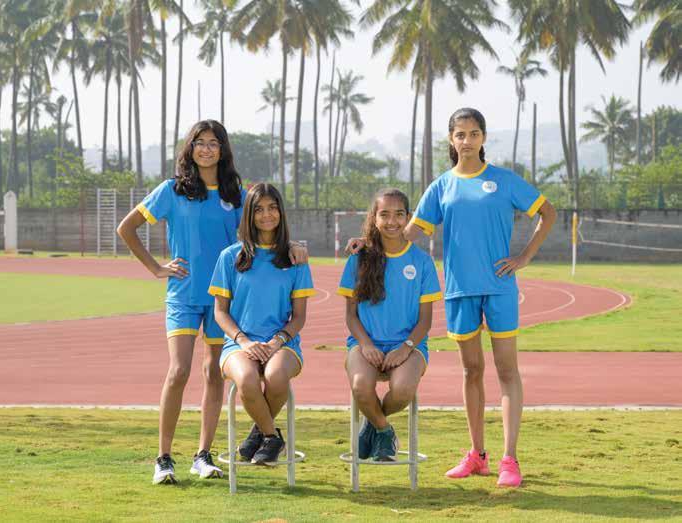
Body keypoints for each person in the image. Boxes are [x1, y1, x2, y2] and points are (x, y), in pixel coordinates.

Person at [348, 108, 556, 487]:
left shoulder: (504, 181)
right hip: (459, 291)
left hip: (499, 288)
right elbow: (404, 234)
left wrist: (524, 257)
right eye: (460, 134)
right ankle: (477, 455)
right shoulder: (442, 186)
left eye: (474, 133)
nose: (467, 141)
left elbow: (547, 212)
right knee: (471, 371)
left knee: (506, 371)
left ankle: (510, 459)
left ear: (483, 138)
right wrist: (368, 242)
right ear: (451, 139)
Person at [117, 120, 307, 484]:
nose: (206, 149)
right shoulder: (171, 190)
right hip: (184, 296)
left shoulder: (236, 194)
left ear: (223, 150)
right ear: (190, 149)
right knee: (179, 371)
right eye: (200, 143)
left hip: (223, 301)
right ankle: (163, 458)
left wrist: (295, 245)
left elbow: (265, 224)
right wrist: (156, 268)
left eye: (213, 143)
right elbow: (126, 228)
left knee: (212, 373)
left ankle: (202, 455)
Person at [209, 183, 315, 466]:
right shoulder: (230, 257)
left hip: (282, 343)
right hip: (238, 343)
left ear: (281, 212)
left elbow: (299, 317)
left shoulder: (295, 259)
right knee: (247, 379)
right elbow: (220, 312)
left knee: (276, 376)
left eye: (272, 208)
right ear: (249, 215)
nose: (266, 215)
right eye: (259, 209)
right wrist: (244, 341)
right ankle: (271, 436)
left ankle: (259, 433)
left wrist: (277, 341)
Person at [338, 188, 442, 461]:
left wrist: (405, 348)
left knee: (404, 390)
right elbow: (351, 315)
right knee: (361, 386)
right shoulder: (358, 258)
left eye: (399, 214)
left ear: (408, 217)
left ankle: (372, 423)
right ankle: (384, 431)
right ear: (374, 218)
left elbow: (426, 320)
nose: (392, 221)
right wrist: (366, 344)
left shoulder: (422, 261)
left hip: (409, 345)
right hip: (365, 343)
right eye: (384, 214)